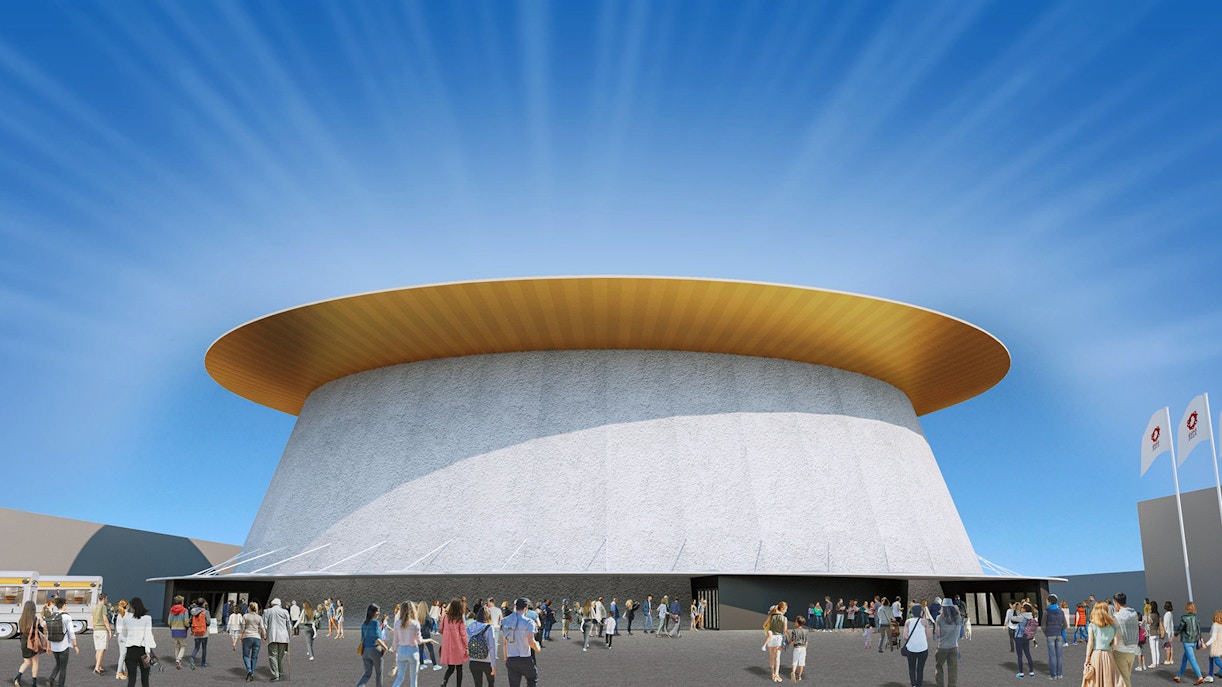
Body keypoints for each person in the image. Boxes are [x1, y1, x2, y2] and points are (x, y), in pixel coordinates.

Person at [1084, 601, 1125, 687]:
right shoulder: (1113, 626)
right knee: (1108, 679)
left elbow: (1090, 643)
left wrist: (1087, 658)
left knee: (1095, 680)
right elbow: (1116, 643)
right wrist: (1109, 645)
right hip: (1108, 654)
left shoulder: (1092, 625)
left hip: (1096, 654)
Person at [501, 598, 540, 687]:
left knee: (514, 684)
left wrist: (505, 658)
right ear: (526, 608)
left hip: (511, 657)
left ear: (515, 607)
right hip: (525, 657)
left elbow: (504, 643)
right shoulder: (529, 622)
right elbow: (531, 642)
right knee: (532, 678)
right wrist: (537, 648)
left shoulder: (505, 621)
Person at [120, 597, 155, 687]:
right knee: (145, 679)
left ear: (132, 607)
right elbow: (147, 635)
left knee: (131, 679)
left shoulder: (126, 619)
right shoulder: (147, 618)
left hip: (131, 651)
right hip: (143, 651)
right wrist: (148, 653)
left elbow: (123, 634)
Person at [44, 596, 78, 687]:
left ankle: (50, 680)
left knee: (58, 664)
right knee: (63, 667)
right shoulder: (66, 616)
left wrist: (48, 646)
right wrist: (75, 645)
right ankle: (60, 685)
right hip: (63, 645)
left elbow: (48, 632)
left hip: (54, 645)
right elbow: (71, 632)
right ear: (64, 605)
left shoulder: (52, 616)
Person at [390, 601, 425, 687]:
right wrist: (429, 639)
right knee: (413, 679)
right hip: (413, 651)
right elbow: (419, 640)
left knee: (400, 678)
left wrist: (395, 661)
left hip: (401, 650)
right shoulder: (415, 624)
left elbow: (395, 643)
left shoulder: (397, 623)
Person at [12, 601, 46, 687]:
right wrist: (41, 624)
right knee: (35, 662)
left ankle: (18, 677)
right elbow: (41, 632)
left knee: (26, 662)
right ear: (33, 609)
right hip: (33, 643)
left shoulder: (21, 619)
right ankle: (34, 683)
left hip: (24, 643)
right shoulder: (35, 619)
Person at [1111, 593, 1140, 687]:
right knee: (1126, 677)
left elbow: (1113, 631)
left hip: (1120, 650)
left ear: (1116, 603)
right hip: (1132, 650)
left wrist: (1115, 614)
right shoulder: (1133, 613)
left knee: (1123, 680)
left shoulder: (1117, 616)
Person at [439, 598, 469, 687]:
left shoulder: (446, 616)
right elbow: (463, 634)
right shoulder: (460, 618)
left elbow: (440, 629)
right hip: (458, 645)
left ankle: (444, 681)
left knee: (450, 668)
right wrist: (466, 646)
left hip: (447, 645)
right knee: (459, 668)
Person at [356, 604, 388, 687]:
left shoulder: (364, 624)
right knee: (379, 673)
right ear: (373, 613)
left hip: (365, 651)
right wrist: (385, 647)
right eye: (377, 611)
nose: (379, 613)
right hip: (374, 649)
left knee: (367, 674)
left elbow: (362, 638)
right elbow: (376, 638)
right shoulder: (375, 623)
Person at [1174, 601, 1205, 684]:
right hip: (1194, 641)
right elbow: (1199, 631)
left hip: (1187, 642)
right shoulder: (1196, 618)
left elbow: (1180, 628)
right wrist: (1202, 642)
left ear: (1186, 608)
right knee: (1184, 659)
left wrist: (1174, 636)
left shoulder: (1184, 618)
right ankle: (1178, 676)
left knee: (1192, 660)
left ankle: (1200, 677)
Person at [465, 606, 495, 687]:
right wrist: (493, 664)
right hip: (486, 660)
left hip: (473, 660)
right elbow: (492, 647)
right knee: (491, 682)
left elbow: (467, 641)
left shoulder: (471, 626)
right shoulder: (489, 627)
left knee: (477, 684)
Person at [933, 598, 961, 687]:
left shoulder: (939, 618)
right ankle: (952, 685)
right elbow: (960, 632)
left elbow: (937, 634)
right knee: (953, 669)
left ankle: (940, 685)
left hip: (942, 647)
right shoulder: (958, 618)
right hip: (954, 647)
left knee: (939, 667)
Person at [264, 598, 293, 682]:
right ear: (279, 604)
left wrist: (264, 635)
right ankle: (280, 672)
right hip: (283, 637)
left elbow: (265, 625)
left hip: (272, 636)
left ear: (272, 604)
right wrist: (289, 636)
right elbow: (289, 625)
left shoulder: (267, 611)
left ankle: (275, 674)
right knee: (281, 656)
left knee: (273, 656)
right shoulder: (285, 612)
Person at [239, 601, 266, 682]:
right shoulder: (259, 617)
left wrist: (241, 636)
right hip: (257, 638)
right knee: (254, 657)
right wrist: (264, 636)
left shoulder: (245, 616)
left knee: (246, 655)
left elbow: (243, 627)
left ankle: (249, 670)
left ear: (249, 608)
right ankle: (252, 673)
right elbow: (262, 628)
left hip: (247, 636)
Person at [1043, 593, 1067, 680]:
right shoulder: (1060, 611)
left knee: (1052, 656)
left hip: (1050, 634)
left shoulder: (1046, 611)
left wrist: (1046, 633)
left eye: (1047, 600)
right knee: (1059, 655)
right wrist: (1060, 630)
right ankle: (1059, 674)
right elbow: (1065, 625)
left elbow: (1043, 625)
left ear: (1049, 601)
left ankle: (1053, 675)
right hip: (1059, 634)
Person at [764, 602, 788, 683]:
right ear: (782, 609)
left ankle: (772, 673)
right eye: (785, 609)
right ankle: (777, 674)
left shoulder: (771, 616)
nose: (786, 611)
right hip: (779, 638)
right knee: (778, 657)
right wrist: (789, 638)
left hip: (771, 637)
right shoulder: (784, 618)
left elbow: (764, 625)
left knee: (771, 656)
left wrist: (768, 630)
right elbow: (785, 630)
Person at [1013, 602, 1035, 679]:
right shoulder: (1031, 617)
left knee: (1020, 656)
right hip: (1026, 637)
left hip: (1019, 637)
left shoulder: (1021, 616)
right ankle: (1031, 672)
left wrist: (1015, 609)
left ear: (1025, 609)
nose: (1021, 608)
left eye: (1022, 607)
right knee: (1028, 654)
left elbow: (1013, 619)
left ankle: (1021, 673)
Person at [91, 593, 112, 676]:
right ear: (104, 599)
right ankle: (97, 667)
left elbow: (91, 619)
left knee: (98, 649)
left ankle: (99, 666)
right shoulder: (103, 607)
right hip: (102, 630)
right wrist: (109, 630)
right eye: (106, 599)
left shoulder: (94, 607)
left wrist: (93, 628)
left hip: (95, 630)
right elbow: (105, 619)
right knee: (102, 649)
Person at [167, 595, 190, 670]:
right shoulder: (184, 610)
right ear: (182, 602)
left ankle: (177, 661)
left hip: (174, 629)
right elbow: (186, 621)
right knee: (183, 645)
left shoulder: (172, 610)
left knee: (176, 645)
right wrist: (188, 626)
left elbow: (169, 621)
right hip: (182, 629)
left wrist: (171, 626)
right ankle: (178, 659)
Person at [187, 598, 211, 669]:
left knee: (196, 647)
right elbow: (208, 622)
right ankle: (203, 664)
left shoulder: (193, 612)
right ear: (203, 603)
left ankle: (192, 658)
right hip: (204, 632)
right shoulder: (206, 612)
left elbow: (190, 621)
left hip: (196, 631)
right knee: (204, 647)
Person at [789, 615, 810, 683]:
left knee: (794, 661)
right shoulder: (806, 631)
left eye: (795, 621)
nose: (794, 622)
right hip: (803, 648)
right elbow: (806, 642)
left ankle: (793, 672)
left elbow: (793, 641)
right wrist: (805, 648)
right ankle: (799, 676)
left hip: (796, 648)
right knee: (801, 663)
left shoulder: (794, 631)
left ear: (798, 623)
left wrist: (788, 643)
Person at [1203, 609, 1222, 684]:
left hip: (1215, 646)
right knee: (1211, 659)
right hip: (1219, 645)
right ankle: (1210, 675)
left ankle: (1210, 676)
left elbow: (1213, 637)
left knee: (1216, 661)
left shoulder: (1215, 625)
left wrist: (1206, 644)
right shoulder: (1221, 626)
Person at [113, 599, 129, 680]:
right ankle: (119, 672)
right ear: (127, 606)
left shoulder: (119, 615)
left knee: (122, 654)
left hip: (119, 635)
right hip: (126, 636)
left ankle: (124, 671)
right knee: (124, 655)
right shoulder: (128, 615)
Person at [1167, 601, 1178, 666]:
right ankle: (1171, 659)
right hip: (1171, 631)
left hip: (1168, 632)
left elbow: (1166, 624)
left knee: (1168, 646)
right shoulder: (1171, 614)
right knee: (1171, 646)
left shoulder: (1167, 614)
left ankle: (1169, 659)